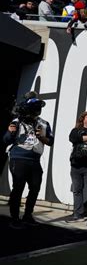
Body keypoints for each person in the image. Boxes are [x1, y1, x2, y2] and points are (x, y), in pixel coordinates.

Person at [3, 92, 54, 229]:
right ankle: (14, 218)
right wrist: (10, 132)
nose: (37, 109)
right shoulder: (17, 121)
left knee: (35, 187)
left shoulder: (44, 123)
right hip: (18, 157)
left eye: (38, 106)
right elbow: (6, 140)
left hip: (35, 159)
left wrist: (41, 137)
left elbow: (51, 141)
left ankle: (28, 215)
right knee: (18, 187)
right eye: (34, 106)